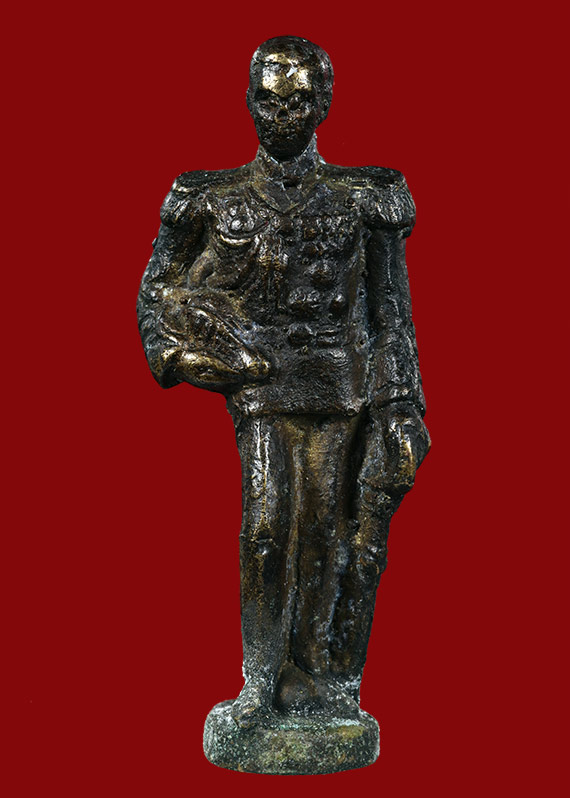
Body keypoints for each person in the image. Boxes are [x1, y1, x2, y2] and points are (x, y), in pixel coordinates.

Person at [137, 36, 430, 730]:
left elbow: (391, 312)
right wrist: (191, 358)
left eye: (298, 102)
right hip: (263, 386)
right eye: (269, 102)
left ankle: (316, 678)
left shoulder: (363, 198)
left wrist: (399, 407)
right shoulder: (211, 197)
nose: (282, 117)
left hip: (339, 386)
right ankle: (260, 680)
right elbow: (157, 293)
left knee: (328, 535)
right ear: (248, 102)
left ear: (323, 105)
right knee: (266, 529)